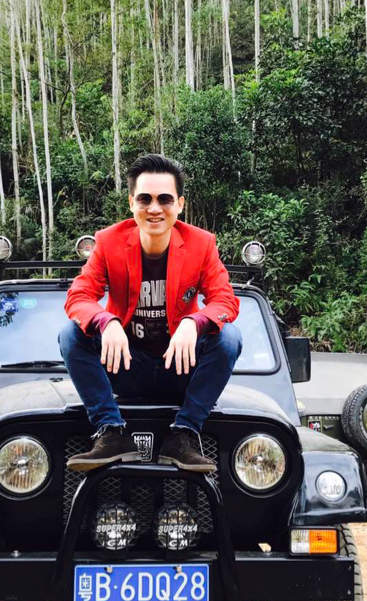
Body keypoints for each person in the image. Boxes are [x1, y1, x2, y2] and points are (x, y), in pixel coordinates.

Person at [59, 154, 242, 473]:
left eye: (165, 199)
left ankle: (184, 434)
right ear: (132, 203)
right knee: (71, 334)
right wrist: (106, 321)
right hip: (125, 366)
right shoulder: (108, 242)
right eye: (145, 198)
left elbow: (225, 301)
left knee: (229, 338)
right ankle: (110, 431)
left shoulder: (201, 244)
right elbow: (79, 296)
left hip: (181, 368)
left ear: (180, 204)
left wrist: (194, 322)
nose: (155, 208)